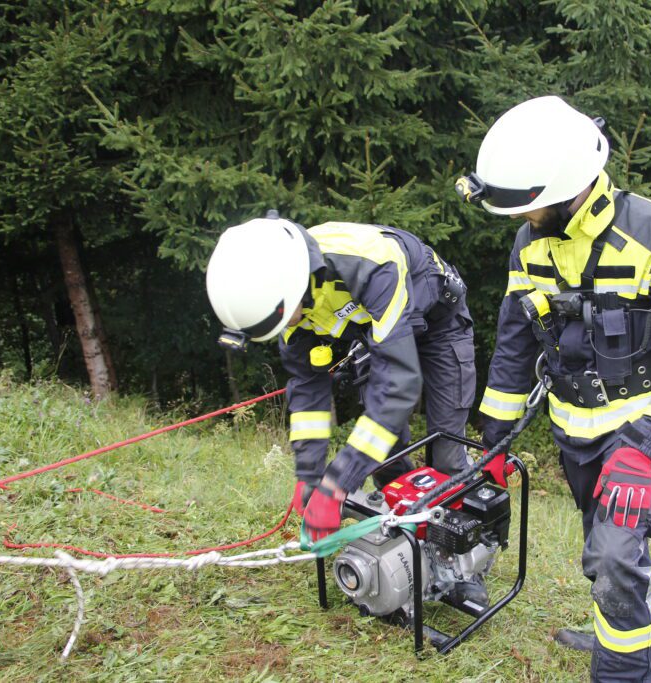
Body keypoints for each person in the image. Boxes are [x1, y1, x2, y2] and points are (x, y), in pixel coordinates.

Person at [457, 96, 651, 681]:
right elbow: (514, 345)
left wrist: (645, 444)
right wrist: (494, 439)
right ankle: (618, 618)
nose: (520, 221)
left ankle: (625, 670)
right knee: (603, 554)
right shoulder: (531, 244)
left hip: (645, 435)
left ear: (567, 185)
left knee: (614, 554)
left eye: (529, 208)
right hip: (574, 435)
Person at [205, 215, 484, 605]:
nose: (292, 325)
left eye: (290, 316)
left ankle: (465, 568)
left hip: (438, 327)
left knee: (446, 451)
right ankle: (409, 555)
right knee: (386, 452)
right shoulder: (286, 297)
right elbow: (308, 396)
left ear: (299, 283)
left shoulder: (371, 265)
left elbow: (399, 390)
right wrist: (309, 474)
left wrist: (337, 485)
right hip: (379, 335)